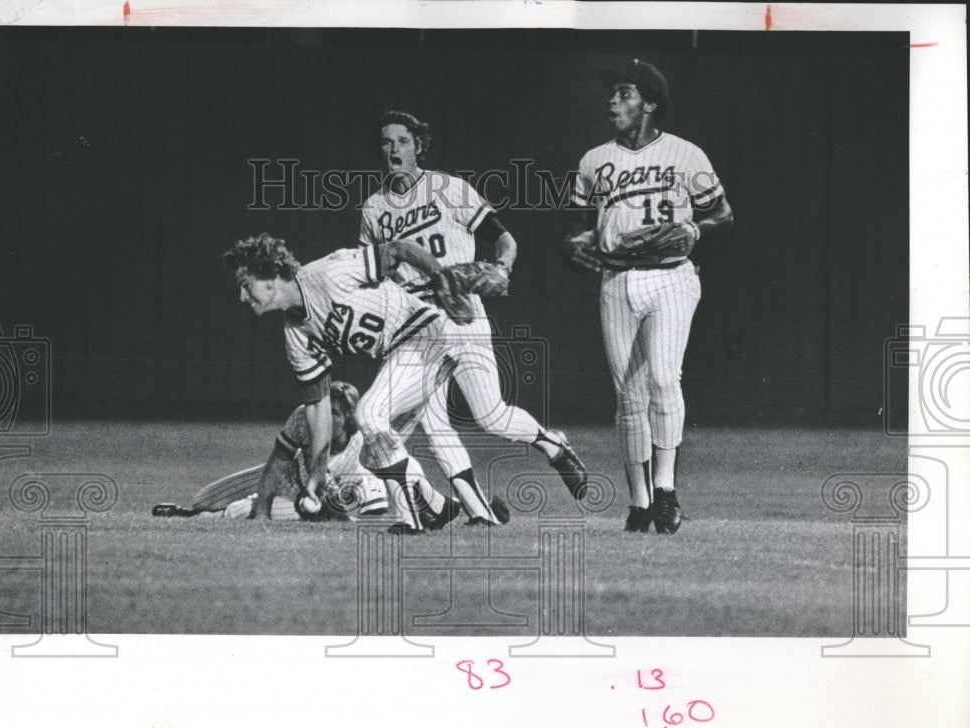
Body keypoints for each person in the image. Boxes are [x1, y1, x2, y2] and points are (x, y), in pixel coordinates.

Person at [222, 232, 588, 534]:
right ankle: (437, 508)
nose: (241, 296)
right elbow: (318, 409)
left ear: (269, 273)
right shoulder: (296, 335)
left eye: (245, 284)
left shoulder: (327, 274)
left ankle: (410, 519)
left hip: (425, 334)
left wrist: (443, 281)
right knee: (373, 448)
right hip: (406, 353)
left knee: (373, 413)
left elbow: (397, 249)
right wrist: (318, 473)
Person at [561, 58, 733, 534]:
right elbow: (576, 231)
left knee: (662, 377)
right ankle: (639, 505)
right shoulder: (594, 161)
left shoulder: (685, 154)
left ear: (650, 104)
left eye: (624, 93)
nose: (612, 101)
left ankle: (666, 490)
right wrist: (573, 248)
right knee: (628, 396)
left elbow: (723, 214)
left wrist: (691, 230)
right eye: (612, 94)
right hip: (616, 280)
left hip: (672, 276)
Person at [359, 109, 526, 527]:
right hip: (411, 317)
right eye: (386, 141)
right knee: (432, 421)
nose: (393, 149)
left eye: (402, 140)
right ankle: (475, 510)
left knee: (481, 415)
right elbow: (374, 272)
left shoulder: (449, 188)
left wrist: (502, 268)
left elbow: (503, 237)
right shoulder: (374, 207)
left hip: (455, 309)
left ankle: (451, 509)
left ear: (419, 145)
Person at [151, 380, 409, 522]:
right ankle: (194, 510)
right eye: (326, 410)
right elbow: (276, 463)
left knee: (242, 512)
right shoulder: (304, 418)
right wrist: (262, 512)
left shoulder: (362, 435)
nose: (328, 418)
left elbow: (382, 475)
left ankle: (194, 518)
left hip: (319, 495)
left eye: (336, 413)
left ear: (351, 417)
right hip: (288, 475)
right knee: (202, 499)